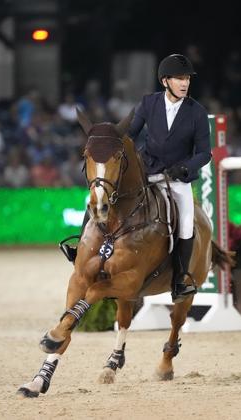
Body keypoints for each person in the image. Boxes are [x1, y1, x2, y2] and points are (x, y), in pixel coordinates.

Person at [60, 53, 211, 303]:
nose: (184, 83)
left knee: (185, 220)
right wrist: (107, 140)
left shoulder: (196, 112)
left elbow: (205, 153)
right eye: (179, 79)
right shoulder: (148, 104)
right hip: (147, 173)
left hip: (177, 179)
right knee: (97, 199)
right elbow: (128, 136)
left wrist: (184, 168)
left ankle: (181, 278)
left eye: (186, 79)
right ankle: (80, 248)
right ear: (165, 81)